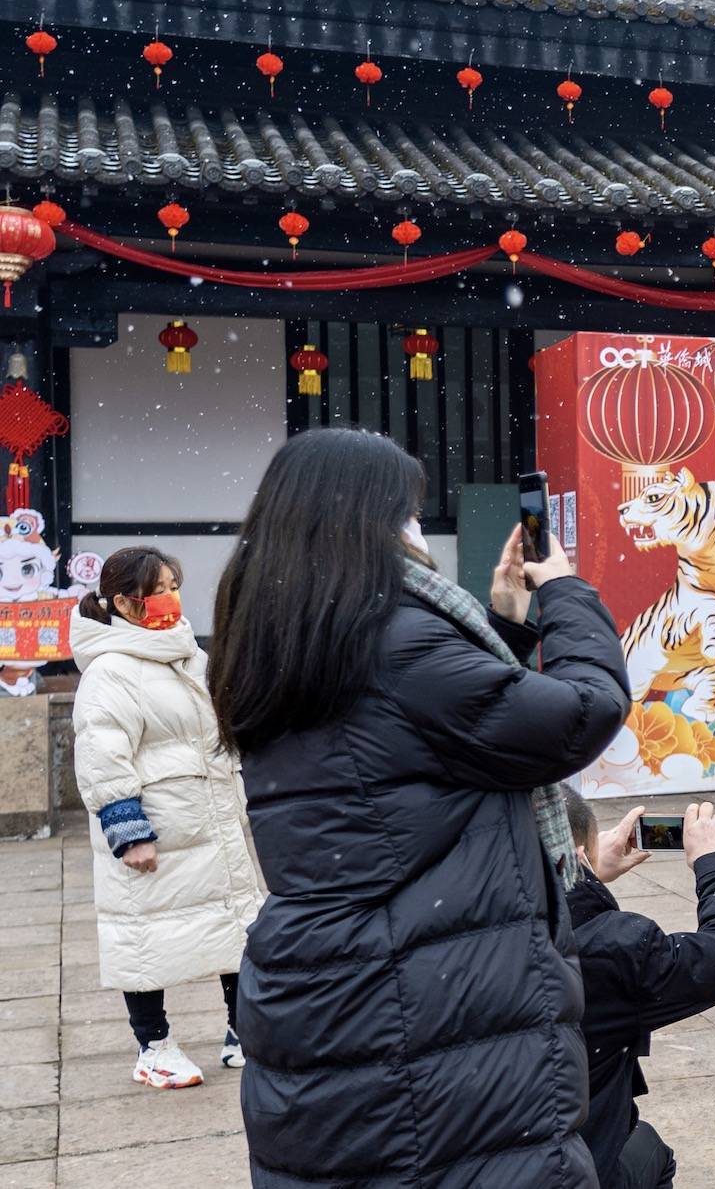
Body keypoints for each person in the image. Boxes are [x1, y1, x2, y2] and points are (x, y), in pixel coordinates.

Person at [212, 429, 630, 1187]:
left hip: (334, 985)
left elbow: (431, 739)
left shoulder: (287, 636)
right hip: (425, 995)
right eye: (405, 513)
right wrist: (565, 591)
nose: (415, 531)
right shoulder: (394, 640)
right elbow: (581, 713)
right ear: (362, 523)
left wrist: (502, 625)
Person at [71, 547, 263, 1089]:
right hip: (157, 828)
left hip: (212, 822)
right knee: (143, 936)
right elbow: (102, 755)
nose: (170, 597)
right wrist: (128, 830)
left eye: (174, 583)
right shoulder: (109, 670)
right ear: (125, 604)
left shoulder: (186, 655)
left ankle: (243, 1031)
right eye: (159, 588)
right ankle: (153, 1046)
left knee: (235, 930)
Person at [564, 789, 715, 1189]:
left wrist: (580, 876)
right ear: (576, 855)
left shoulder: (435, 928)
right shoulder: (610, 948)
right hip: (564, 1167)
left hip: (452, 1161)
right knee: (648, 1151)